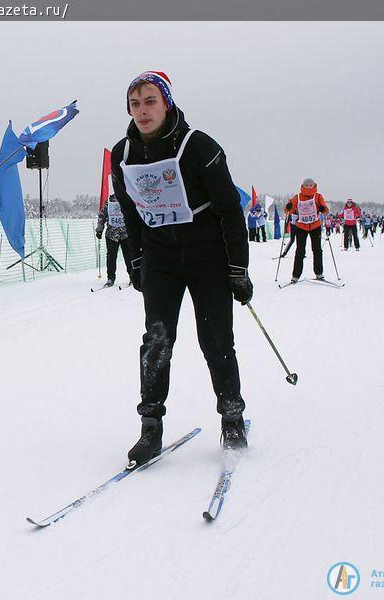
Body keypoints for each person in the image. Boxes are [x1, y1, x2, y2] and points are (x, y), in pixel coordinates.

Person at [111, 70, 253, 465]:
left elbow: (229, 210)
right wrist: (137, 260)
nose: (142, 111)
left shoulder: (197, 145)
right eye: (135, 104)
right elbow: (130, 211)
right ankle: (150, 428)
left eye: (150, 101)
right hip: (161, 258)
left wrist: (238, 269)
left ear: (167, 103)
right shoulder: (122, 154)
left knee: (216, 338)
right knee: (157, 340)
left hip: (207, 257)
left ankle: (231, 416)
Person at [285, 178, 328, 282]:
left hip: (315, 226)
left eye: (310, 185)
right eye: (306, 185)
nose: (308, 187)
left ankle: (319, 273)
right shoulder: (297, 197)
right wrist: (289, 207)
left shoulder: (318, 196)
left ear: (314, 186)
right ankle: (295, 275)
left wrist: (323, 209)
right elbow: (288, 211)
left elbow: (325, 210)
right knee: (300, 250)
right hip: (301, 226)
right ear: (303, 186)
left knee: (317, 250)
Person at [95, 193, 132, 286]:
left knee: (129, 256)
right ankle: (110, 278)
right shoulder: (109, 201)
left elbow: (133, 214)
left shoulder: (127, 198)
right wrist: (99, 230)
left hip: (125, 234)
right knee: (111, 257)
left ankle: (133, 277)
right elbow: (102, 215)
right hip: (111, 234)